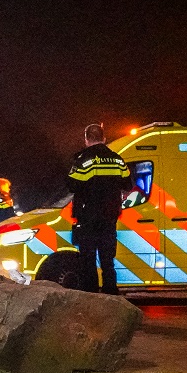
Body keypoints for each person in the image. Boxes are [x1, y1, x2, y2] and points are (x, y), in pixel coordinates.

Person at [66, 123, 133, 295]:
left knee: (88, 260)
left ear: (87, 139)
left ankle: (92, 296)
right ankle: (111, 293)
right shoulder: (117, 159)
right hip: (109, 217)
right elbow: (127, 184)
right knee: (107, 260)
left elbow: (72, 185)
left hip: (88, 217)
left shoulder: (84, 160)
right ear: (104, 139)